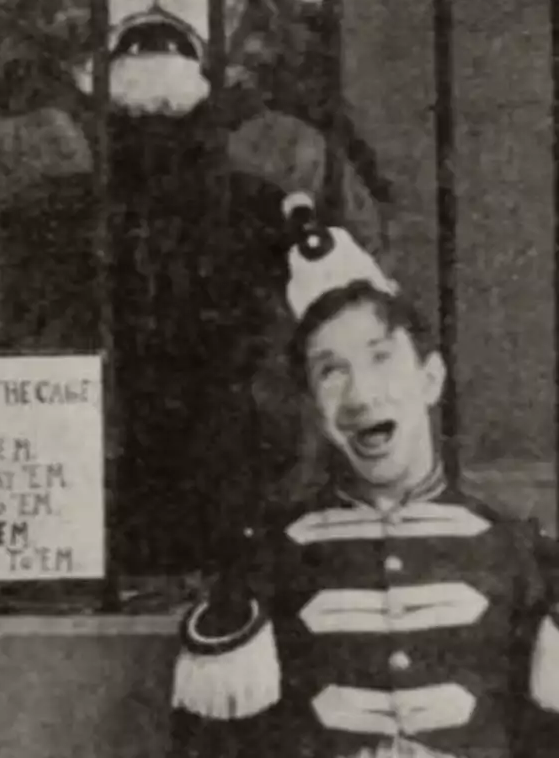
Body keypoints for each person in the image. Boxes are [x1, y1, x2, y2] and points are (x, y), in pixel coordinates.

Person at [169, 192, 559, 758]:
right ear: (314, 407)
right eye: (331, 372)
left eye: (380, 357)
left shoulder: (518, 556)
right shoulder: (268, 562)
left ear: (430, 379)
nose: (360, 395)